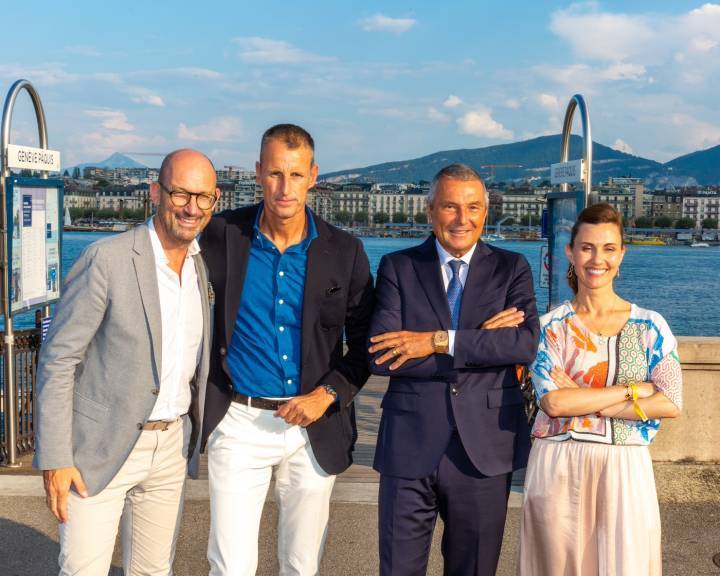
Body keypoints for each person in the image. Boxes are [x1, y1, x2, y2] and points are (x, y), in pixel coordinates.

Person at [199, 123, 375, 575]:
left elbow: (364, 346)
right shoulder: (219, 235)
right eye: (276, 173)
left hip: (313, 424)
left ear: (313, 175)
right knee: (230, 565)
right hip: (238, 421)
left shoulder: (346, 252)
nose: (285, 187)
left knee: (301, 564)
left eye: (296, 175)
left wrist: (327, 395)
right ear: (259, 172)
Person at [34, 149, 218, 575]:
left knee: (154, 571)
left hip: (170, 446)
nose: (191, 208)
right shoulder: (106, 259)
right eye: (180, 193)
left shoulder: (199, 267)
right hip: (97, 447)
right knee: (83, 569)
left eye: (203, 197)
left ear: (214, 201)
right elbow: (58, 359)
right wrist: (56, 457)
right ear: (156, 192)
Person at [368, 163, 540, 576]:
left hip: (484, 447)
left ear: (486, 212)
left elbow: (523, 344)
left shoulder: (512, 268)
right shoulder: (398, 266)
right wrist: (481, 341)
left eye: (473, 207)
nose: (463, 219)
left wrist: (435, 340)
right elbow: (383, 355)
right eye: (450, 206)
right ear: (430, 212)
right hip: (409, 444)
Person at [519, 203, 682, 575]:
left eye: (608, 248)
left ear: (621, 254)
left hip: (625, 467)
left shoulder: (650, 326)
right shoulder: (549, 327)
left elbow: (671, 401)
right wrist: (633, 390)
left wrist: (584, 398)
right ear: (570, 252)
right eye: (587, 248)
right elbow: (554, 403)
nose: (597, 259)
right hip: (558, 465)